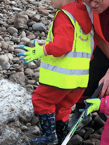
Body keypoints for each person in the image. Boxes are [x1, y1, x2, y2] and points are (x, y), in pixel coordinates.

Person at [18, 0, 95, 144]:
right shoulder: (88, 14)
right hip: (80, 79)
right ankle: (62, 135)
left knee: (41, 100)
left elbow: (62, 46)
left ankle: (49, 135)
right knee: (63, 106)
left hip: (60, 78)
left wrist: (42, 50)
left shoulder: (65, 14)